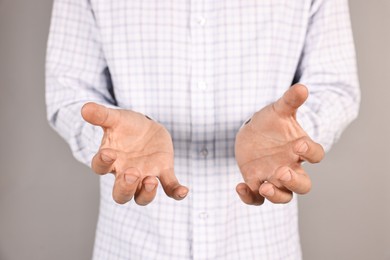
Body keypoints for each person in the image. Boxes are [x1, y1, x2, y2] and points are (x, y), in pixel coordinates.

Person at [45, 0, 360, 259]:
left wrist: (293, 136)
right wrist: (109, 142)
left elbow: (335, 86)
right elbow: (68, 90)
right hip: (134, 243)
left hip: (261, 244)